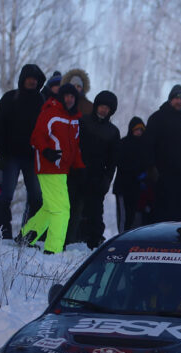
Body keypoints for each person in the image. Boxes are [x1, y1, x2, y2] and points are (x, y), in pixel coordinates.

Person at [19, 82, 83, 254]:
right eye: (66, 96)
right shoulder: (51, 113)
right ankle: (53, 249)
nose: (69, 99)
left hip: (62, 169)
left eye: (72, 96)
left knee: (50, 207)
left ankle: (26, 237)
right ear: (61, 97)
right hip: (49, 166)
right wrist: (46, 151)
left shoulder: (74, 119)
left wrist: (79, 167)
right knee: (62, 209)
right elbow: (36, 137)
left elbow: (75, 146)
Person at [0, 63, 46, 239]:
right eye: (29, 78)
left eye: (35, 79)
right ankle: (2, 232)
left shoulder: (41, 102)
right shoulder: (10, 98)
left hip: (32, 157)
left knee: (36, 197)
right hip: (11, 156)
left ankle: (29, 233)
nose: (32, 82)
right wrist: (2, 152)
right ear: (23, 79)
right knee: (5, 195)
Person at [69, 89, 119, 248]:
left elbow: (112, 161)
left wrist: (106, 180)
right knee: (70, 209)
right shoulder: (82, 122)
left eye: (107, 108)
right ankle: (65, 240)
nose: (104, 110)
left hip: (97, 177)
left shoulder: (113, 132)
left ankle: (95, 245)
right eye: (102, 106)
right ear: (96, 105)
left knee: (95, 213)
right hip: (76, 173)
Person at [143, 84, 181, 223]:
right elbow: (147, 145)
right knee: (160, 216)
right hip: (161, 177)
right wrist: (151, 167)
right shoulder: (157, 118)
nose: (179, 101)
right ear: (170, 99)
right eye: (176, 98)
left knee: (178, 217)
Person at [114, 117, 151, 232]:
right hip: (123, 186)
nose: (139, 132)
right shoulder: (123, 143)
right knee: (123, 217)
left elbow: (146, 163)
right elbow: (120, 163)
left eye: (141, 130)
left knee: (132, 215)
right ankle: (121, 238)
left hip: (136, 187)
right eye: (136, 130)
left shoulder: (144, 146)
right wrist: (135, 173)